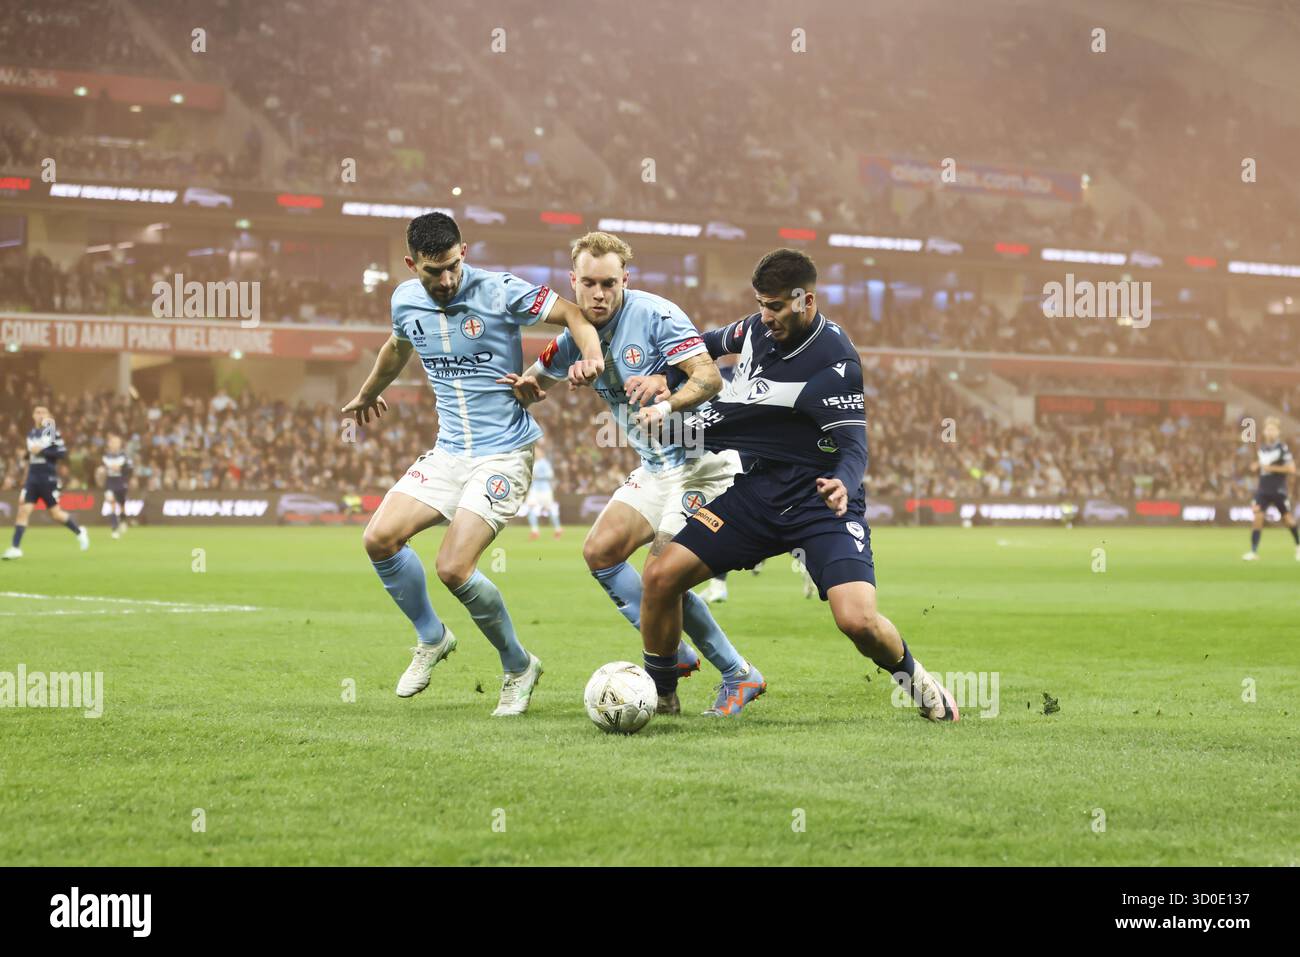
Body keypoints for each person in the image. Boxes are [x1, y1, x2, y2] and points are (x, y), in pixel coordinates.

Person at [638, 249, 959, 721]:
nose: (764, 317)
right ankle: (663, 695)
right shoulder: (752, 329)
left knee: (858, 621)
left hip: (819, 504)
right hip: (757, 495)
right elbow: (699, 345)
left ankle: (917, 679)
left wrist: (844, 485)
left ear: (806, 300)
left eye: (775, 307)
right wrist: (663, 378)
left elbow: (855, 448)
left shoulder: (834, 363)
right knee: (661, 577)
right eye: (761, 304)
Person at [341, 212, 604, 716]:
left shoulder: (500, 291)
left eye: (453, 267)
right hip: (449, 452)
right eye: (432, 271)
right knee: (377, 538)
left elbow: (573, 313)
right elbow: (398, 346)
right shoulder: (403, 299)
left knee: (453, 567)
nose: (445, 280)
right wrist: (366, 393)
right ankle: (432, 637)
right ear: (410, 264)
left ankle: (518, 665)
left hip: (503, 452)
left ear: (465, 251)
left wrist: (589, 355)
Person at [501, 231, 757, 715]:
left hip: (703, 463)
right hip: (657, 468)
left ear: (625, 280)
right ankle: (674, 651)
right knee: (601, 551)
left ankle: (727, 676)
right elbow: (532, 382)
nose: (599, 294)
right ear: (573, 282)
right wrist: (532, 387)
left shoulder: (656, 314)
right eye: (589, 284)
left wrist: (668, 400)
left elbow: (709, 377)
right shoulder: (574, 339)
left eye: (609, 284)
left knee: (662, 574)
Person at [4, 405, 90, 560]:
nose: (40, 415)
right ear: (33, 415)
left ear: (48, 415)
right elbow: (32, 455)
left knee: (56, 514)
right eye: (37, 412)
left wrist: (42, 451)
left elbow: (62, 453)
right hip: (33, 478)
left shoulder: (50, 431)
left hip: (47, 478)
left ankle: (79, 531)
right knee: (23, 511)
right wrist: (25, 456)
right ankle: (15, 548)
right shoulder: (31, 433)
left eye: (43, 412)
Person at [1242, 417, 1298, 561]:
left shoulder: (1282, 449)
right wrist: (1256, 465)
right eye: (1268, 429)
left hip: (1278, 489)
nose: (1270, 432)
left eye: (1273, 429)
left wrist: (1269, 467)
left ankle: (1298, 546)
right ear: (1264, 432)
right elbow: (1262, 465)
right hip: (1263, 489)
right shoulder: (1262, 449)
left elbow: (1291, 468)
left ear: (1278, 432)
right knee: (1257, 517)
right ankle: (1253, 551)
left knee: (1287, 519)